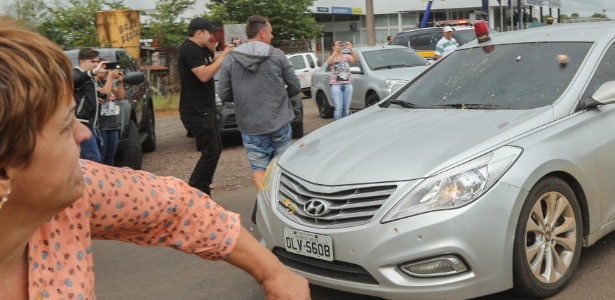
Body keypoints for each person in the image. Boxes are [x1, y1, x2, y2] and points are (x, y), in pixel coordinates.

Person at [0, 20, 310, 300]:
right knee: (240, 159)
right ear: (4, 172)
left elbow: (176, 206)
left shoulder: (76, 192)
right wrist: (221, 57)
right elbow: (212, 78)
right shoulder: (194, 51)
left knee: (242, 161)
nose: (82, 134)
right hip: (233, 116)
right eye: (66, 123)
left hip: (245, 120)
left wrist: (274, 273)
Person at [218, 15, 301, 191]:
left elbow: (224, 94)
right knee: (285, 166)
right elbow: (294, 86)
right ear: (262, 33)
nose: (272, 36)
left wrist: (243, 98)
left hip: (250, 125)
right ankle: (286, 206)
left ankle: (267, 206)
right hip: (278, 120)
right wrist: (281, 97)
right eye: (271, 32)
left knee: (259, 168)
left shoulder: (231, 58)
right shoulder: (277, 55)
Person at [178, 17, 235, 195]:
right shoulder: (189, 49)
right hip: (197, 110)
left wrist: (213, 53)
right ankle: (195, 189)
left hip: (205, 108)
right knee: (210, 152)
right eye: (209, 32)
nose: (212, 36)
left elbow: (208, 65)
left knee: (215, 149)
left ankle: (202, 189)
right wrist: (223, 55)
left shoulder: (200, 49)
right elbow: (203, 75)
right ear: (199, 32)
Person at [73, 47, 107, 163]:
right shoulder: (76, 74)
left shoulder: (88, 78)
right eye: (92, 62)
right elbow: (75, 80)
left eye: (97, 62)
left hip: (90, 122)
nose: (96, 65)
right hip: (80, 122)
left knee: (95, 156)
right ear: (82, 62)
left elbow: (87, 92)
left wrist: (101, 96)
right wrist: (92, 73)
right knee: (93, 158)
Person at [95, 67, 125, 166]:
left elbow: (120, 97)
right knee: (101, 156)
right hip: (101, 125)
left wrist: (120, 82)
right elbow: (103, 93)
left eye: (107, 68)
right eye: (103, 68)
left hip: (112, 124)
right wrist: (111, 78)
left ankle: (109, 179)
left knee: (110, 156)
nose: (106, 71)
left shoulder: (108, 83)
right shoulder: (94, 84)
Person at [327, 40, 359, 121]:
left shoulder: (346, 56)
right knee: (338, 108)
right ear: (333, 46)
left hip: (347, 84)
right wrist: (335, 51)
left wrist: (351, 49)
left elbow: (355, 60)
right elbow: (329, 62)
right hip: (336, 85)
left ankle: (345, 125)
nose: (339, 47)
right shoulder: (332, 57)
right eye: (337, 45)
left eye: (340, 45)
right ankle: (337, 126)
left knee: (346, 108)